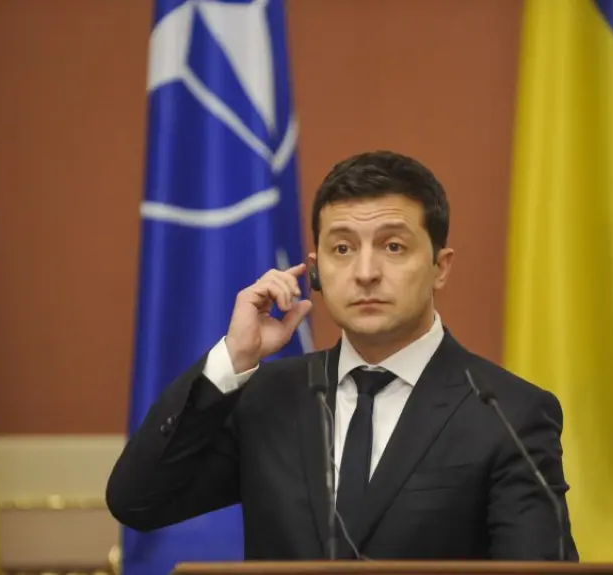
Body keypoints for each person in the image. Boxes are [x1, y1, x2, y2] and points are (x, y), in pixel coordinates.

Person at [106, 150, 580, 561]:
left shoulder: (506, 412)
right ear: (315, 271)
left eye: (393, 246)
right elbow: (138, 501)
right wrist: (233, 359)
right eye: (342, 248)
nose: (366, 272)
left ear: (440, 266)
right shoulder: (267, 398)